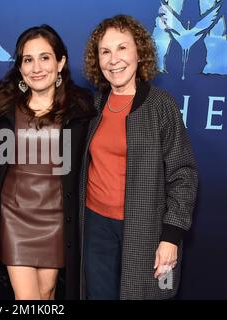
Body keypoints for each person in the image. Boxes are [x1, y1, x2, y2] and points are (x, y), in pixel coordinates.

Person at [80, 15, 198, 299]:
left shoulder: (160, 105)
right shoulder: (92, 105)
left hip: (147, 229)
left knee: (150, 293)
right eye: (105, 51)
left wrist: (171, 237)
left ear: (139, 52)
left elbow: (184, 174)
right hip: (96, 227)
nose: (113, 59)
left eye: (122, 48)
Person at [0, 24, 95, 300]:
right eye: (28, 59)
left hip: (58, 217)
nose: (37, 67)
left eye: (45, 58)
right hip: (14, 216)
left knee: (47, 294)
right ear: (20, 67)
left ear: (61, 62)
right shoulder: (2, 105)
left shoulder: (82, 108)